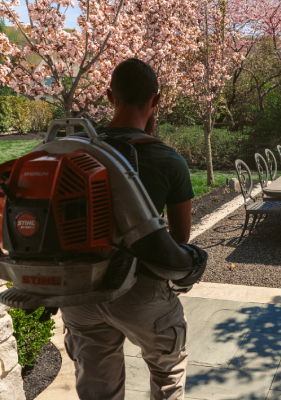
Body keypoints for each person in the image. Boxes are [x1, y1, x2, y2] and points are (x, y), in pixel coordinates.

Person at [61, 58, 194, 400]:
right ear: (156, 100)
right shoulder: (168, 160)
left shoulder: (72, 150)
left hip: (79, 292)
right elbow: (180, 238)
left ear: (109, 96)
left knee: (98, 388)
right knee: (168, 370)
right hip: (141, 294)